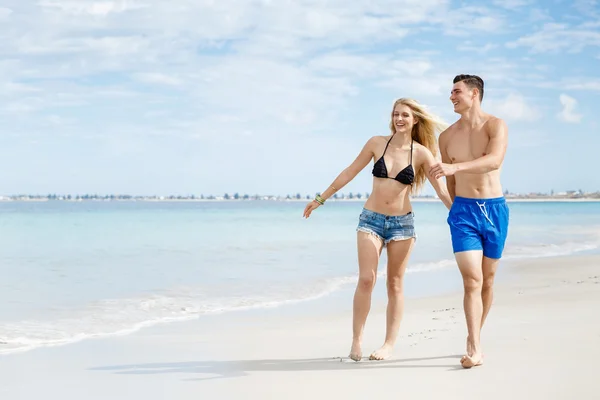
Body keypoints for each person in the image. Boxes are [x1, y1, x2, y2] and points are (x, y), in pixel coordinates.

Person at [303, 98, 452, 362]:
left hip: (402, 225)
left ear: (415, 119)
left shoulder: (421, 153)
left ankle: (388, 345)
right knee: (366, 279)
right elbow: (350, 171)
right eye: (396, 114)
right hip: (370, 220)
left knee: (395, 283)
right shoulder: (376, 143)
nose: (399, 119)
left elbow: (441, 189)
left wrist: (460, 216)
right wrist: (321, 199)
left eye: (405, 115)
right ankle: (357, 341)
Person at [430, 74, 509, 369]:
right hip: (463, 212)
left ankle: (474, 334)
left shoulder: (495, 125)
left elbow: (494, 160)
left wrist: (455, 167)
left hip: (495, 209)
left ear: (474, 94)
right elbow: (448, 181)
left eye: (456, 91)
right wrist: (453, 210)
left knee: (488, 280)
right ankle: (475, 348)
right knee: (472, 280)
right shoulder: (446, 136)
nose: (451, 96)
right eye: (451, 92)